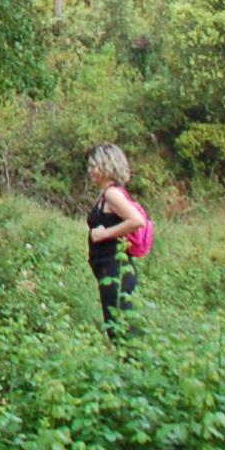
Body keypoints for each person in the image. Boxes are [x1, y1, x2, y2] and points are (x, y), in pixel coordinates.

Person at [84, 144, 147, 336]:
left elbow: (137, 220)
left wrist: (105, 234)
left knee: (120, 330)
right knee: (116, 326)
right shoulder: (105, 194)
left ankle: (131, 356)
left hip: (116, 269)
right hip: (108, 269)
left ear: (107, 166)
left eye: (94, 166)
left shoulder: (112, 194)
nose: (90, 170)